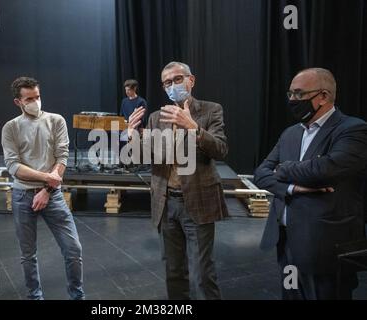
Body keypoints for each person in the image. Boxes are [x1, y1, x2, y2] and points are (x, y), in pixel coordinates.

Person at [254, 68, 367, 300]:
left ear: (323, 96)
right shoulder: (290, 134)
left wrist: (284, 168)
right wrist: (291, 187)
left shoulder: (353, 129)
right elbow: (261, 173)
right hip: (286, 242)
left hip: (325, 245)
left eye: (299, 94)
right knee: (291, 294)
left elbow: (326, 169)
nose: (293, 100)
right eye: (290, 94)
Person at [128, 62, 229, 300]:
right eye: (166, 83)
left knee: (203, 273)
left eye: (177, 79)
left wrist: (193, 127)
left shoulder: (210, 110)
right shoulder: (156, 118)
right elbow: (139, 160)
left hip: (197, 202)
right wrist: (131, 136)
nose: (172, 86)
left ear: (191, 80)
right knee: (173, 271)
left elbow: (221, 150)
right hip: (166, 204)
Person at [1, 77, 84, 300]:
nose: (35, 101)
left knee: (73, 249)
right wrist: (47, 176)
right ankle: (35, 297)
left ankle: (77, 296)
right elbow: (13, 166)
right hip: (22, 196)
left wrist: (46, 188)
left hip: (52, 194)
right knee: (28, 255)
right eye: (29, 99)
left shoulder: (56, 121)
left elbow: (62, 157)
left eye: (37, 97)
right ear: (18, 102)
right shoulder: (11, 128)